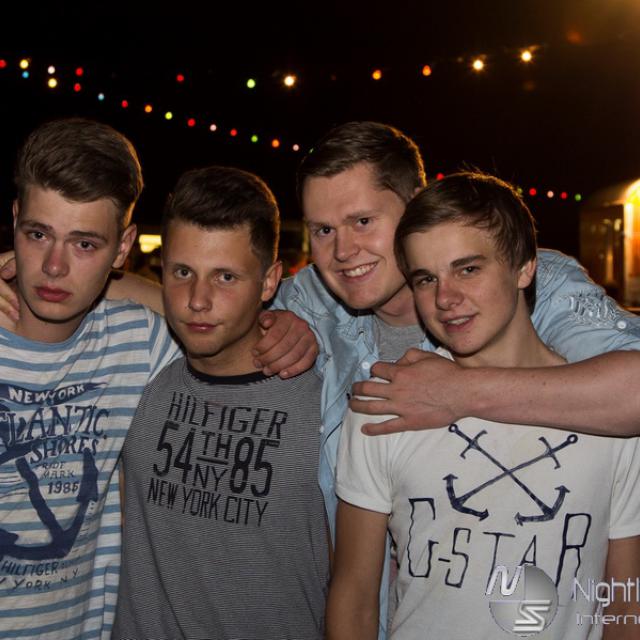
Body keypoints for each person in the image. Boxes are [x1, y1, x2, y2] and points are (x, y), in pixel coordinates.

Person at [269, 120, 640, 636]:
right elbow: (203, 308)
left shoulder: (537, 279)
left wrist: (458, 390)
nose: (342, 251)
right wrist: (266, 327)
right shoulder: (306, 299)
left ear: (415, 204)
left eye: (363, 221)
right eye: (323, 230)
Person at [0, 118, 316, 640]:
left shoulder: (140, 343)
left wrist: (276, 319)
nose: (54, 267)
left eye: (85, 244)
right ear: (15, 221)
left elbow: (199, 311)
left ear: (123, 247)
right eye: (38, 234)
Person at [113, 166, 329, 639]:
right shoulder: (140, 373)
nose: (197, 300)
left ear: (269, 282)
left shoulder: (324, 405)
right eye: (182, 272)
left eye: (226, 277)